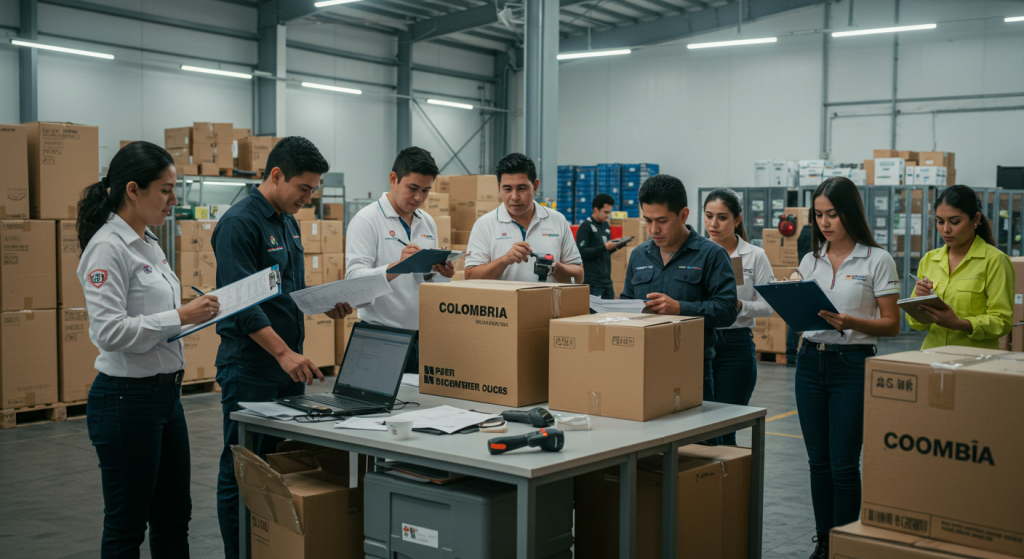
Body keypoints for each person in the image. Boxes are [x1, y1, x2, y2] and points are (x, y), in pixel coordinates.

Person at [211, 137, 352, 559]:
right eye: (304, 189)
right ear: (276, 175)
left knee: (277, 467)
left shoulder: (287, 221)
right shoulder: (240, 223)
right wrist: (283, 353)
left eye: (313, 190)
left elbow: (288, 290)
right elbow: (240, 304)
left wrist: (323, 305)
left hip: (286, 368)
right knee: (243, 468)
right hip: (251, 367)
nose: (308, 199)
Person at [78, 141, 221, 558]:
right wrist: (180, 316)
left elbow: (154, 316)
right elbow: (108, 332)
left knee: (175, 516)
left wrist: (197, 312)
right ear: (133, 190)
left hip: (164, 398)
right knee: (126, 526)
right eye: (166, 189)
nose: (174, 200)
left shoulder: (149, 242)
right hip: (126, 402)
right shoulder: (108, 247)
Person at [795, 177, 901, 559]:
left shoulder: (877, 259)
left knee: (842, 465)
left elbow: (892, 324)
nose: (825, 223)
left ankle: (845, 546)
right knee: (817, 464)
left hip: (852, 365)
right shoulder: (811, 260)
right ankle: (824, 543)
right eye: (819, 215)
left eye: (833, 214)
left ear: (850, 213)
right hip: (809, 363)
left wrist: (852, 322)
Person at [620, 174, 738, 402]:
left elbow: (727, 310)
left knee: (697, 437)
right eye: (648, 220)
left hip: (691, 366)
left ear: (683, 215)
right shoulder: (638, 255)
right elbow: (626, 301)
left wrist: (679, 308)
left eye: (662, 221)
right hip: (643, 362)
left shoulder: (711, 255)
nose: (654, 229)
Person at [345, 146, 455, 373]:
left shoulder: (427, 222)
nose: (419, 198)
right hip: (380, 335)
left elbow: (424, 281)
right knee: (379, 408)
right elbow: (354, 280)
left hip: (420, 336)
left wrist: (440, 273)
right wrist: (398, 267)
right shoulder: (367, 220)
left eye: (425, 191)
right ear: (393, 179)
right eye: (412, 188)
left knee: (419, 406)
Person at [702, 188, 774, 445]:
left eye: (722, 217)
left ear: (737, 219)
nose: (713, 224)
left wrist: (740, 305)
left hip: (735, 345)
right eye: (708, 216)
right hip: (698, 343)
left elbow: (768, 306)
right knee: (700, 431)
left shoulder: (755, 256)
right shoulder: (694, 254)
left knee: (724, 429)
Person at [907, 185, 1013, 349]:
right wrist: (918, 302)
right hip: (933, 356)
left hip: (975, 359)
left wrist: (958, 323)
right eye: (940, 221)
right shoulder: (929, 260)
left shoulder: (995, 261)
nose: (946, 229)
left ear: (976, 219)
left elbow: (1001, 321)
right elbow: (917, 324)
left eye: (955, 222)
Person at [465, 153, 584, 283]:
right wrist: (504, 260)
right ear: (499, 187)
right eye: (507, 189)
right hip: (504, 303)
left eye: (521, 188)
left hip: (546, 303)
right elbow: (470, 277)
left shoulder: (557, 221)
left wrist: (555, 268)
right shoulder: (485, 225)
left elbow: (578, 277)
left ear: (535, 186)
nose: (514, 197)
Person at [576, 193, 624, 299]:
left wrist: (615, 247)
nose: (608, 216)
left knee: (610, 313)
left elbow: (603, 252)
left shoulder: (606, 225)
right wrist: (605, 247)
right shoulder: (586, 227)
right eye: (605, 212)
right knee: (593, 314)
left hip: (607, 281)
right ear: (596, 210)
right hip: (593, 283)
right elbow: (581, 253)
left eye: (610, 213)